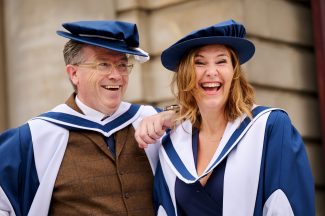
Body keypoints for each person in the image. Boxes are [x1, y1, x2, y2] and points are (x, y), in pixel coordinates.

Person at [135, 19, 315, 215]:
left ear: (234, 72)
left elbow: (287, 207)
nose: (211, 72)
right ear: (186, 75)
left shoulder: (268, 128)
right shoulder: (174, 144)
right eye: (199, 63)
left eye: (221, 61)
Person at [0, 20, 171, 215]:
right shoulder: (35, 138)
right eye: (103, 65)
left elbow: (207, 131)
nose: (116, 75)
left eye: (122, 65)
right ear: (74, 74)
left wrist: (174, 116)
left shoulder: (152, 121)